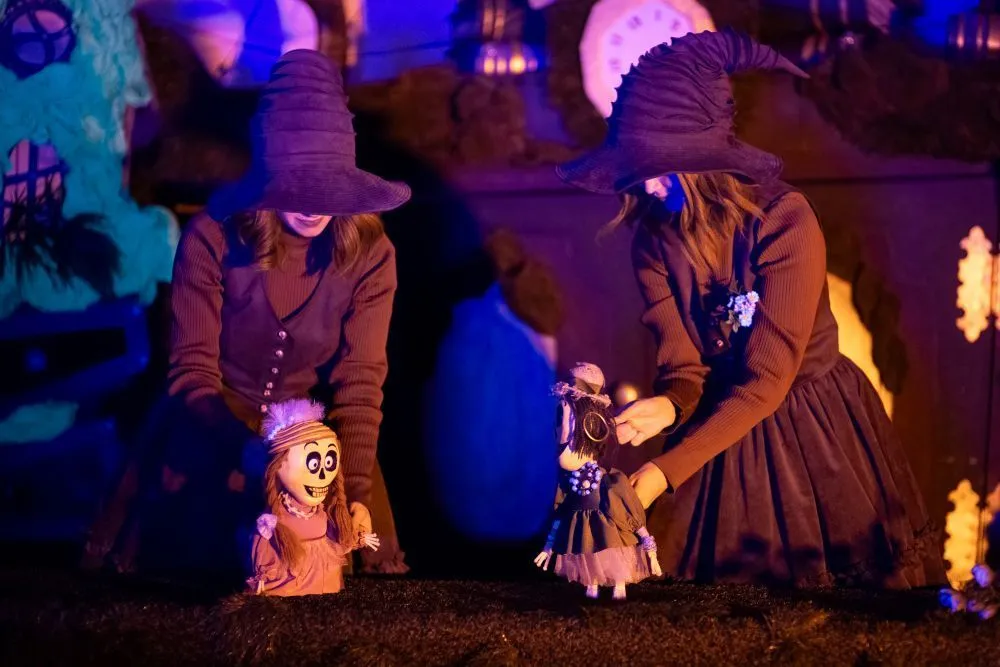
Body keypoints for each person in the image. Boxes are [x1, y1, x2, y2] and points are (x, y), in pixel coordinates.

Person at [555, 29, 946, 588]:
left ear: (702, 158)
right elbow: (684, 368)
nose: (647, 184)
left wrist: (662, 473)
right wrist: (669, 406)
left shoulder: (785, 221)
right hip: (715, 428)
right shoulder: (653, 241)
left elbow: (766, 381)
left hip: (812, 430)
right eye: (637, 166)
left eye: (659, 165)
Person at [83, 49, 411, 579]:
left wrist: (349, 490)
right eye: (299, 184)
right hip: (214, 422)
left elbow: (360, 384)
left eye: (327, 185)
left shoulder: (372, 256)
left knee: (329, 580)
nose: (314, 204)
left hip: (315, 447)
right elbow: (192, 374)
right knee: (200, 578)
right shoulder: (211, 238)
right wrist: (252, 456)